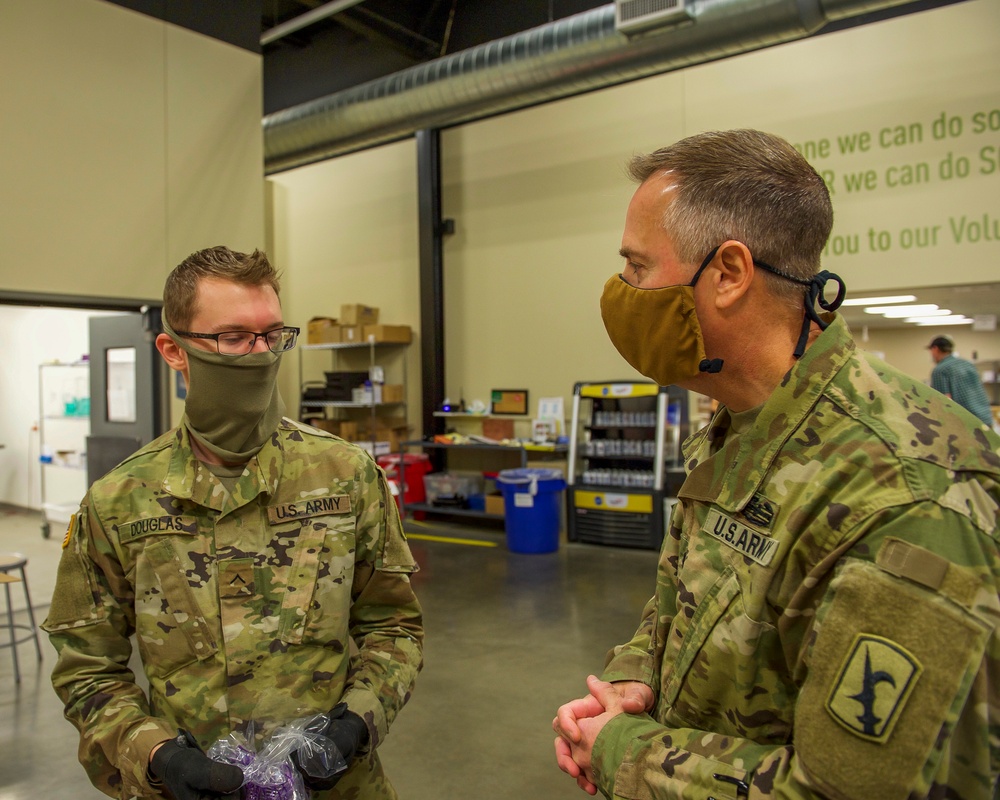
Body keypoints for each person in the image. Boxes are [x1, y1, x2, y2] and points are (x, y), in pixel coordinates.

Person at [553, 130, 1000, 799]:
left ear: (728, 274)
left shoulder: (905, 492)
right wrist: (633, 675)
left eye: (638, 267)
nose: (623, 290)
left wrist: (621, 750)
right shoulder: (738, 420)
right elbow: (688, 598)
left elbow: (840, 789)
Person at [42, 246, 423, 800]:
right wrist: (154, 754)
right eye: (234, 337)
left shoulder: (346, 476)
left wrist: (357, 722)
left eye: (272, 335)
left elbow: (394, 626)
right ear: (174, 350)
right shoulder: (120, 500)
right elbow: (87, 668)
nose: (260, 353)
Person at [928, 334, 995, 427]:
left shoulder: (940, 370)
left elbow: (942, 401)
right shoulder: (967, 363)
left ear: (935, 349)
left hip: (966, 424)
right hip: (985, 418)